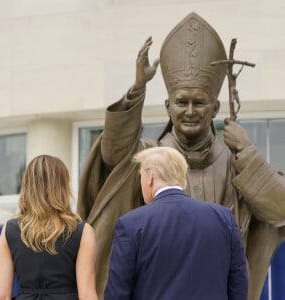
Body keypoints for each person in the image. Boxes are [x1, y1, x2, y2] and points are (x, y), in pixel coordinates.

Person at [77, 12, 285, 300]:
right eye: (181, 102)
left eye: (198, 102)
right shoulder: (148, 159)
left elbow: (281, 210)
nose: (189, 111)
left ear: (214, 109)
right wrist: (137, 90)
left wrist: (248, 154)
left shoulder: (237, 164)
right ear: (167, 106)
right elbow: (113, 153)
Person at [104, 146, 248, 300]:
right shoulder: (224, 218)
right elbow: (238, 284)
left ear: (150, 178)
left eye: (140, 176)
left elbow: (117, 292)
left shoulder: (130, 224)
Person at [0, 155, 98, 300]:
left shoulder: (9, 230)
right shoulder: (82, 231)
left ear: (28, 186)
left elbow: (2, 296)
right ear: (63, 187)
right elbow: (87, 295)